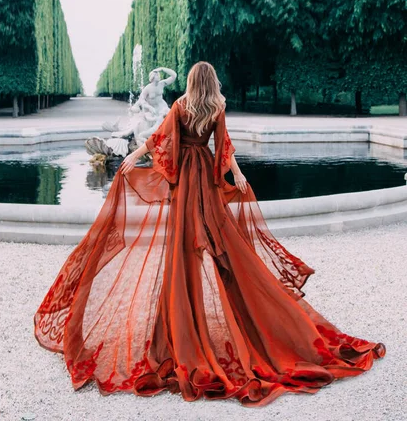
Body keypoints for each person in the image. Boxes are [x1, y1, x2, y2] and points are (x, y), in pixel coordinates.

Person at [34, 61, 386, 408]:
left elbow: (159, 139)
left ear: (190, 81)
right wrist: (238, 175)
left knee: (183, 249)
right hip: (204, 175)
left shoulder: (180, 106)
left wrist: (132, 157)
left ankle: (179, 323)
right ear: (212, 81)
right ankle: (235, 311)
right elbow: (223, 148)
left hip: (186, 182)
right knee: (221, 244)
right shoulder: (216, 107)